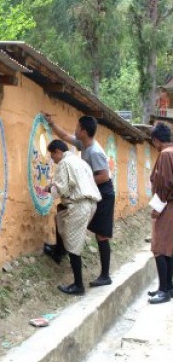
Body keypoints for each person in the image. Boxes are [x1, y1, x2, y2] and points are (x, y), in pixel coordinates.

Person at [43, 113, 115, 287]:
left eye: (77, 127)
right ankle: (59, 251)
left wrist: (82, 183)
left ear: (83, 131)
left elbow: (104, 176)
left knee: (102, 235)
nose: (74, 130)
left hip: (103, 192)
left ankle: (105, 275)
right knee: (62, 211)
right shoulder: (82, 144)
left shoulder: (95, 151)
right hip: (89, 190)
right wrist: (52, 124)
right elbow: (66, 137)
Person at [44, 140, 101, 295]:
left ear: (57, 151)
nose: (53, 160)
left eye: (52, 155)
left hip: (79, 205)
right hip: (90, 205)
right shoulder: (79, 161)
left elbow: (61, 190)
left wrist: (50, 188)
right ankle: (58, 252)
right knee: (60, 217)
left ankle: (78, 285)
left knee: (74, 244)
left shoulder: (64, 163)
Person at [147, 122, 173, 304]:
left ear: (156, 140)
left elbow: (164, 184)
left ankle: (164, 290)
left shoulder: (165, 154)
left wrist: (158, 207)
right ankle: (168, 287)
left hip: (167, 205)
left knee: (159, 247)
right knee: (168, 247)